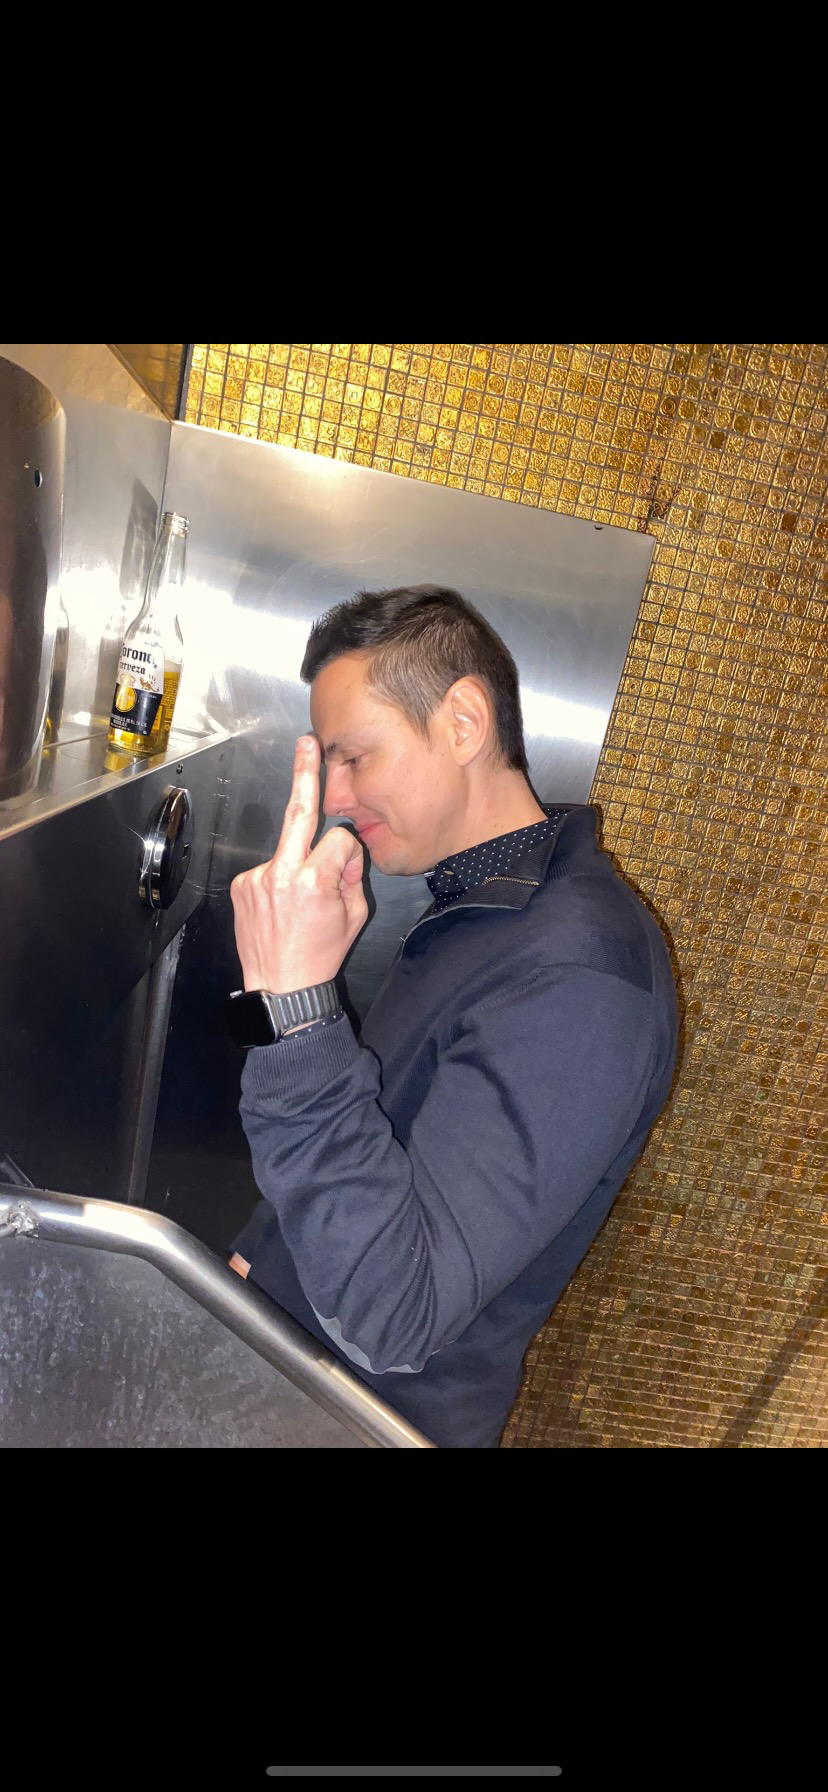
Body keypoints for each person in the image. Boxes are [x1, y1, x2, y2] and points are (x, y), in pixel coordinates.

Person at [225, 584, 679, 1448]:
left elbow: (393, 1314)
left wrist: (295, 1013)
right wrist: (261, 1249)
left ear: (464, 722)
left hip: (356, 1418)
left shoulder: (581, 977)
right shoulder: (483, 908)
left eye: (355, 758)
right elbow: (376, 1128)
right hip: (289, 1365)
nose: (337, 796)